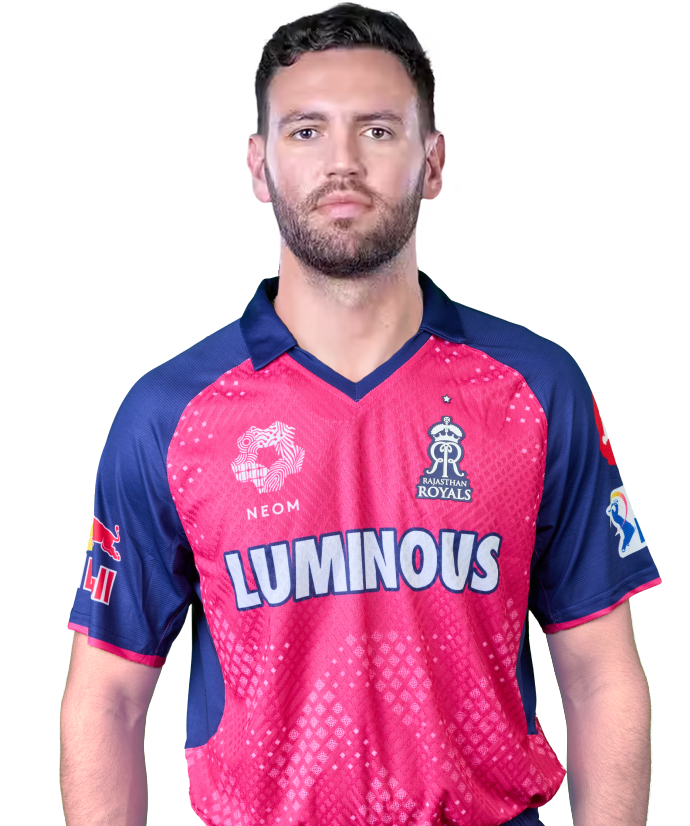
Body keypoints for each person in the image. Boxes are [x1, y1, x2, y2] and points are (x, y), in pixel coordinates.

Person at [59, 4, 662, 825]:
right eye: (306, 131)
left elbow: (599, 675)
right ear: (260, 165)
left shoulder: (536, 388)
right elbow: (108, 695)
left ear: (432, 161)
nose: (342, 162)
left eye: (377, 131)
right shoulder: (170, 415)